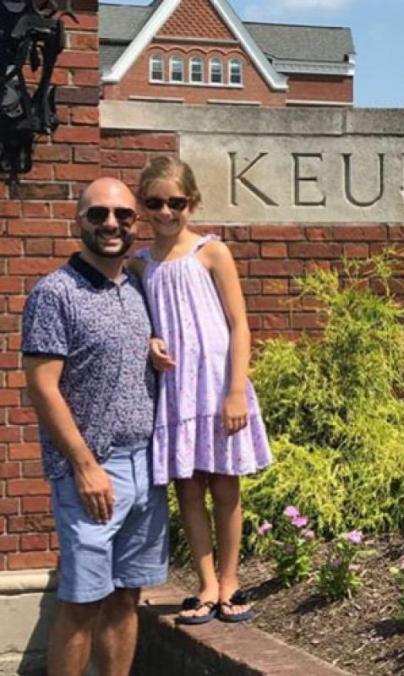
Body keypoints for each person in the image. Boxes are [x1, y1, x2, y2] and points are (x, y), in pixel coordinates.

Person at [22, 177, 166, 676]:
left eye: (123, 215)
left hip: (147, 465)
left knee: (126, 596)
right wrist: (84, 467)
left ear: (135, 222)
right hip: (93, 471)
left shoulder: (139, 286)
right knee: (83, 602)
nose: (111, 223)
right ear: (79, 220)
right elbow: (43, 387)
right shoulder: (55, 293)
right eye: (98, 214)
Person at [133, 156, 271, 624]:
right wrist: (149, 341)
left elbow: (239, 324)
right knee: (188, 489)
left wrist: (236, 391)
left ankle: (230, 581)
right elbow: (140, 323)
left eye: (176, 202)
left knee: (225, 485)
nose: (166, 212)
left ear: (191, 202)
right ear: (143, 205)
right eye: (155, 203)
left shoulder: (211, 252)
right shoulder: (140, 266)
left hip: (215, 385)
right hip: (176, 390)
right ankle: (207, 584)